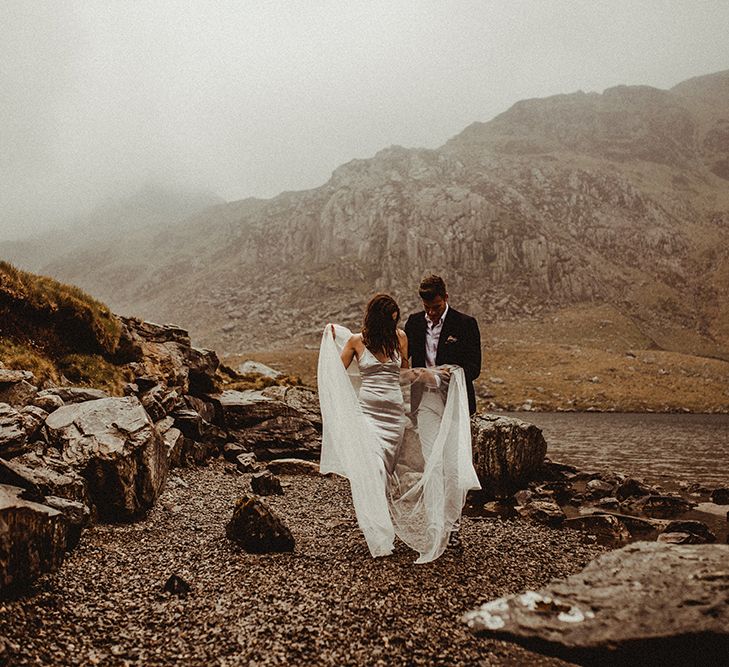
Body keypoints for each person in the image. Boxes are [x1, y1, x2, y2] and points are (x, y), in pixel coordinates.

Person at [318, 293, 480, 563]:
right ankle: (379, 533)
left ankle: (384, 525)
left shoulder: (401, 338)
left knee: (386, 474)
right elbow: (334, 371)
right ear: (376, 320)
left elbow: (402, 374)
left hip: (394, 419)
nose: (393, 327)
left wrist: (424, 374)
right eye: (389, 322)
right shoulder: (357, 342)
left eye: (396, 322)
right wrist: (332, 342)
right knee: (374, 469)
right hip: (368, 416)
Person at [404, 275, 482, 548]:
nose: (431, 312)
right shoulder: (414, 323)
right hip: (425, 402)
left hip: (455, 403)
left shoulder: (466, 324)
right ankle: (435, 524)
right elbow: (403, 359)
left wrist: (450, 372)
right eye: (427, 307)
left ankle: (453, 526)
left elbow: (475, 367)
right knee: (432, 462)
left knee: (453, 466)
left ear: (445, 298)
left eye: (435, 306)